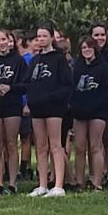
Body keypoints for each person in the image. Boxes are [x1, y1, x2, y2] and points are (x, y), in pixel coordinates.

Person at [25, 22, 71, 197]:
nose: (41, 39)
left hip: (54, 108)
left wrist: (53, 98)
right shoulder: (35, 60)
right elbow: (27, 82)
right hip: (37, 108)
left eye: (44, 36)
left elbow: (66, 84)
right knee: (41, 146)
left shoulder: (59, 59)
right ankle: (42, 184)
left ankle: (58, 185)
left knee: (55, 145)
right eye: (39, 36)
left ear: (52, 37)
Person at [71, 35, 108, 190]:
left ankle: (97, 182)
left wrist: (99, 105)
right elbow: (72, 89)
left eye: (89, 47)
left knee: (96, 146)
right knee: (79, 147)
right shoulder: (77, 68)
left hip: (98, 112)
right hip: (79, 112)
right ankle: (80, 182)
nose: (87, 50)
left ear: (95, 48)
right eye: (83, 47)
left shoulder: (104, 67)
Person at [0, 28, 27, 195]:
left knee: (11, 144)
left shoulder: (18, 60)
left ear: (9, 41)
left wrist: (10, 87)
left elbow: (25, 84)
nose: (1, 43)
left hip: (12, 104)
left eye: (3, 39)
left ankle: (12, 183)